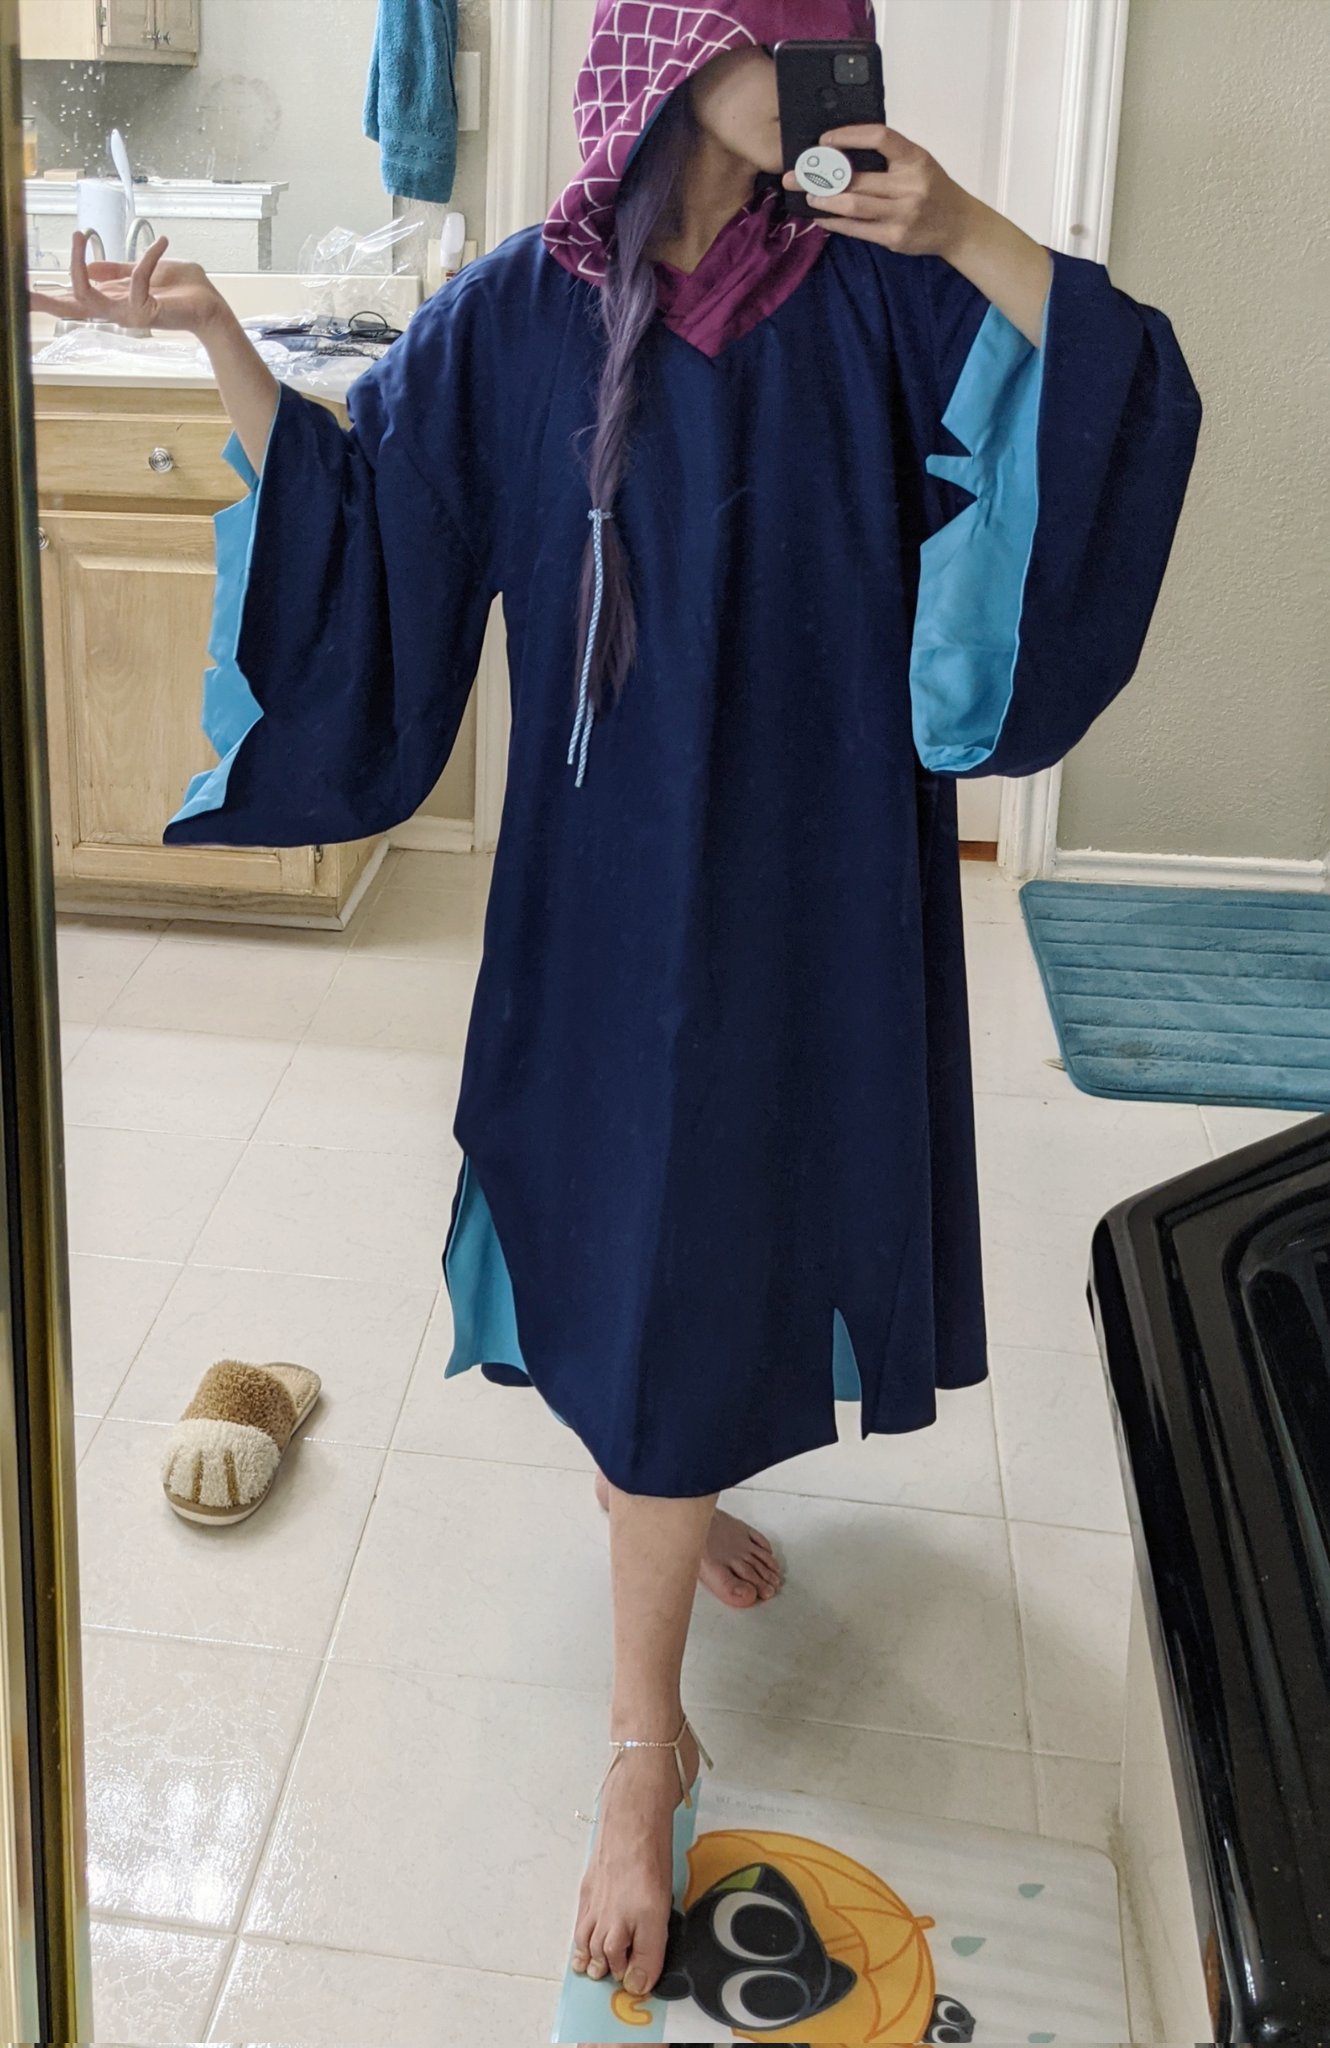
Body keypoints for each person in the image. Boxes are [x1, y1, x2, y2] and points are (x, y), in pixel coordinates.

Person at [31, 0, 1202, 2012]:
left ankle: (662, 1531)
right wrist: (221, 338)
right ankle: (648, 1697)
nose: (823, 72)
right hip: (609, 901)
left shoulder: (871, 293)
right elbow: (362, 521)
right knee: (634, 1236)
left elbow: (1116, 399)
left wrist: (967, 228)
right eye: (781, 39)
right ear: (674, 52)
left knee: (723, 1228)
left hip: (814, 885)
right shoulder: (520, 314)